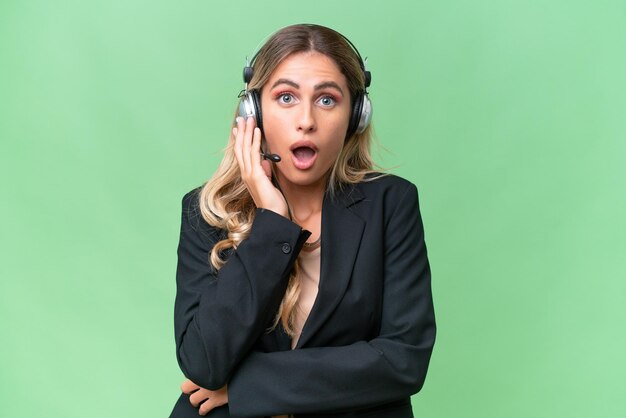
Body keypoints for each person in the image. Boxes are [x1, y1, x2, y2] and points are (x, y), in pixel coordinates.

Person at [170, 23, 436, 418]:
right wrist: (271, 224)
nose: (306, 120)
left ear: (355, 117)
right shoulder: (205, 211)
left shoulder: (391, 203)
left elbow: (403, 358)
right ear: (253, 111)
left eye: (327, 100)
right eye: (286, 97)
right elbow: (203, 362)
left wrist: (248, 385)